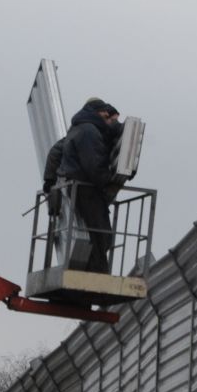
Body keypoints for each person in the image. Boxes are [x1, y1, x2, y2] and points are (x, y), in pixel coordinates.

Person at [57, 98, 124, 274]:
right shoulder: (89, 131)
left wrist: (50, 182)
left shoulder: (79, 128)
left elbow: (55, 152)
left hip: (78, 185)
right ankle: (98, 272)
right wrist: (108, 181)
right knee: (101, 233)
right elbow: (93, 165)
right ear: (101, 113)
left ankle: (96, 269)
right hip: (86, 187)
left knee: (97, 232)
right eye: (109, 116)